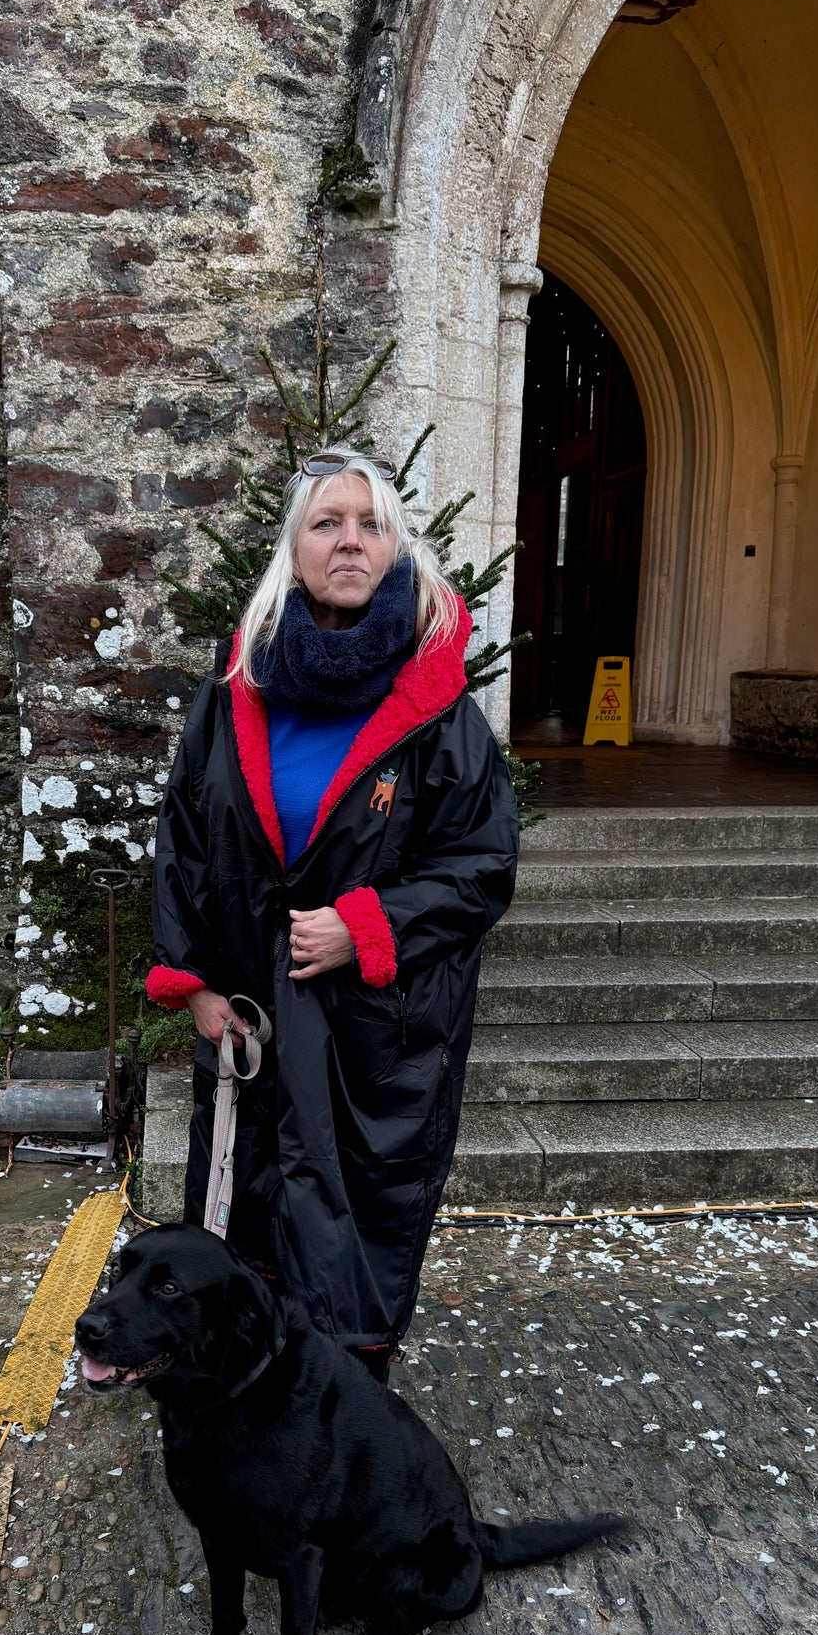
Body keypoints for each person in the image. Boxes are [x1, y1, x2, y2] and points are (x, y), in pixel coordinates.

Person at [145, 448, 518, 1381]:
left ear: (393, 547)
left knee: (359, 1211)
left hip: (375, 1032)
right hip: (253, 1016)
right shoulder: (233, 697)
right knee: (248, 1197)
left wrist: (370, 925)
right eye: (326, 522)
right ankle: (244, 1384)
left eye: (368, 523)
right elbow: (186, 834)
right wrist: (193, 985)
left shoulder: (435, 710)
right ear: (295, 548)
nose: (348, 540)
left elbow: (481, 862)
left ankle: (344, 1403)